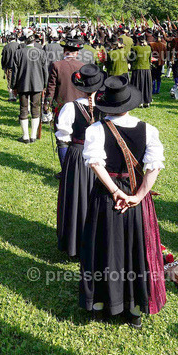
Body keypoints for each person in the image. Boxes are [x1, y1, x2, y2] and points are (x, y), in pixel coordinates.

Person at [79, 76, 166, 327]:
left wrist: (115, 191)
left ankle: (99, 304)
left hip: (107, 196)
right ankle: (135, 309)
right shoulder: (148, 129)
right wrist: (138, 196)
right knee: (135, 248)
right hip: (137, 195)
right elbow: (154, 168)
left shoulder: (96, 129)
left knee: (102, 246)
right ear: (130, 104)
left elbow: (95, 163)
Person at [55, 64, 105, 258]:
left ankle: (75, 242)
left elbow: (63, 136)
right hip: (101, 158)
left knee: (76, 197)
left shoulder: (70, 107)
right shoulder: (106, 108)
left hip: (77, 156)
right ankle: (96, 241)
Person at [45, 35, 89, 128]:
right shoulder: (83, 66)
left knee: (61, 133)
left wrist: (47, 104)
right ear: (77, 53)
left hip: (61, 105)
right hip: (79, 105)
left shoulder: (56, 65)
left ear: (64, 52)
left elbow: (51, 87)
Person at [13, 30, 47, 143]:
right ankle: (32, 135)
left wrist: (13, 86)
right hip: (38, 84)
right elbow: (45, 71)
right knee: (35, 109)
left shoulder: (18, 53)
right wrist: (45, 85)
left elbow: (15, 73)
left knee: (23, 109)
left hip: (22, 84)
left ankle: (26, 136)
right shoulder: (41, 53)